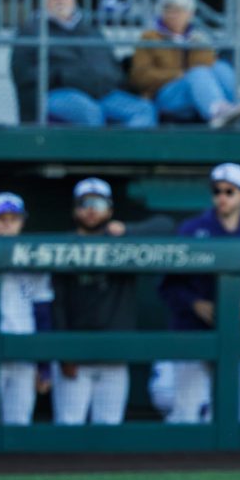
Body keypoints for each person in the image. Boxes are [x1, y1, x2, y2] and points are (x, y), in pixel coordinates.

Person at [50, 177, 174, 426]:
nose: (91, 210)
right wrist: (64, 353)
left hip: (114, 355)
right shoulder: (65, 245)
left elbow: (167, 226)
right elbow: (56, 303)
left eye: (98, 203)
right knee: (68, 427)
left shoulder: (123, 243)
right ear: (75, 209)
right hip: (75, 355)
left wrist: (127, 231)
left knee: (109, 428)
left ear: (109, 210)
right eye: (84, 204)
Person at [158, 163, 240, 423]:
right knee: (186, 413)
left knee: (230, 413)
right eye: (217, 191)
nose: (222, 197)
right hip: (191, 333)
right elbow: (168, 286)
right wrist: (194, 304)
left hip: (234, 337)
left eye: (230, 191)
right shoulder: (191, 230)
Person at [9, 0, 156, 127]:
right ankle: (99, 144)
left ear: (74, 0)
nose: (60, 0)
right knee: (90, 112)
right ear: (42, 0)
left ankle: (122, 143)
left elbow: (110, 63)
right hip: (58, 93)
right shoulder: (31, 32)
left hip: (101, 92)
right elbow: (22, 72)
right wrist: (64, 76)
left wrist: (117, 79)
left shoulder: (90, 30)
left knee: (143, 110)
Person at [129, 0, 240, 128]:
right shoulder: (149, 37)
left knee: (221, 68)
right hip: (163, 95)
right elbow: (139, 76)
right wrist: (178, 74)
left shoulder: (196, 37)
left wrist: (194, 46)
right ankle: (218, 112)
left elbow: (208, 66)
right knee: (197, 74)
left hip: (194, 93)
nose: (173, 15)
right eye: (168, 10)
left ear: (190, 14)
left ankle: (238, 113)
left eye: (178, 11)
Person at [0, 192, 53, 426]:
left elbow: (43, 315)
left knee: (19, 422)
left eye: (14, 219)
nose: (8, 224)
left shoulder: (34, 261)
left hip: (24, 352)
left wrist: (43, 365)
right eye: (1, 218)